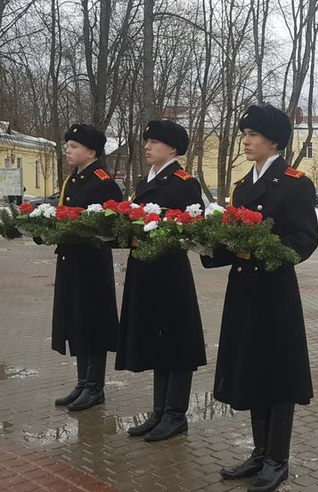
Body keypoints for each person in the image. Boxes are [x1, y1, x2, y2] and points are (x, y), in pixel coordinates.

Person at [201, 105, 318, 492]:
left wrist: (263, 251)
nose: (246, 141)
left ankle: (277, 459)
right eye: (245, 134)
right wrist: (207, 244)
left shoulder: (296, 182)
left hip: (275, 292)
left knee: (278, 373)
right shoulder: (241, 185)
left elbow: (304, 240)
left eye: (252, 135)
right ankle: (259, 453)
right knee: (251, 368)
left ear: (274, 141)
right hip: (244, 291)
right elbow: (233, 238)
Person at [116, 120, 206, 442]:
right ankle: (158, 412)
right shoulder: (144, 182)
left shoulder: (184, 183)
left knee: (176, 343)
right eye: (147, 141)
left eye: (154, 141)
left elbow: (195, 226)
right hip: (144, 268)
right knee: (155, 339)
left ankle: (175, 415)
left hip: (169, 271)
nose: (147, 146)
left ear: (172, 148)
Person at [51, 124, 123, 411]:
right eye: (68, 145)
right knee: (77, 321)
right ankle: (82, 383)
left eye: (74, 146)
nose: (68, 150)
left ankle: (95, 387)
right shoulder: (74, 180)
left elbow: (114, 226)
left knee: (93, 322)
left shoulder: (103, 182)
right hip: (71, 260)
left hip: (92, 263)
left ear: (91, 151)